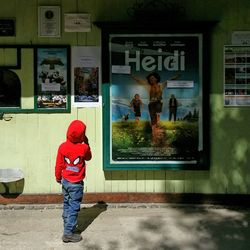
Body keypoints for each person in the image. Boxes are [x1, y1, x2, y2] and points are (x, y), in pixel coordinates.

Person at [55, 120, 92, 243]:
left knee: (66, 203)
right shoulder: (84, 148)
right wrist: (86, 142)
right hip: (76, 183)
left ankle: (67, 225)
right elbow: (89, 157)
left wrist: (58, 177)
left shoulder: (62, 146)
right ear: (82, 135)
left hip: (65, 181)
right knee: (74, 207)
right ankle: (68, 234)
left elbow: (59, 164)